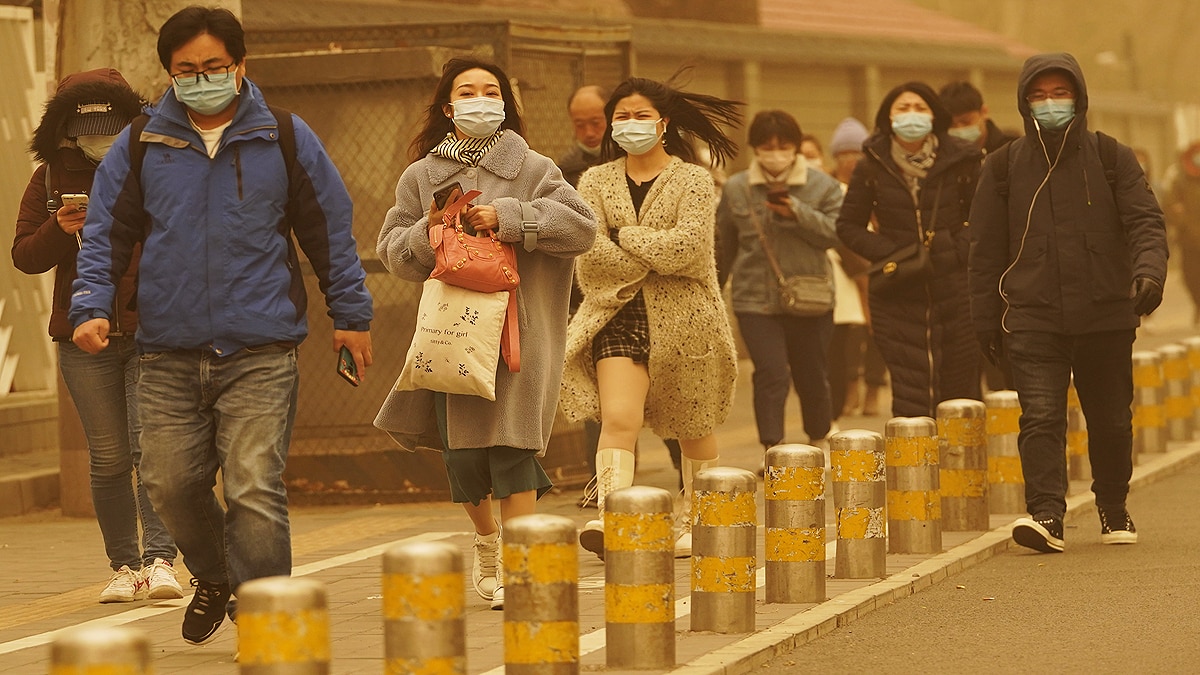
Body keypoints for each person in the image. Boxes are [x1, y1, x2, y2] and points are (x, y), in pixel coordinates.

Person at [70, 7, 374, 644]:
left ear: (241, 67)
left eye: (213, 67)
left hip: (260, 345)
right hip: (165, 349)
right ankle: (214, 575)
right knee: (168, 483)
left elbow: (328, 231)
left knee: (254, 485)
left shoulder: (284, 137)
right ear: (169, 75)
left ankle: (269, 628)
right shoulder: (141, 142)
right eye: (186, 70)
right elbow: (104, 234)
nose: (200, 78)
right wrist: (91, 305)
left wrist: (351, 315)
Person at [375, 58, 596, 609]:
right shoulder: (420, 176)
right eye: (467, 92)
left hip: (520, 336)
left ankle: (521, 572)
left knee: (513, 450)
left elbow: (582, 228)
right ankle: (487, 540)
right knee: (464, 459)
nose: (480, 100)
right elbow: (392, 251)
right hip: (453, 336)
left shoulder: (536, 167)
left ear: (505, 104)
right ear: (448, 108)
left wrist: (512, 216)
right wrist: (432, 234)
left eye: (490, 91)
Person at [968, 53, 1168, 553]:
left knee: (1111, 420)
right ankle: (1047, 515)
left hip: (1105, 314)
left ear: (1079, 99)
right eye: (1039, 95)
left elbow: (1146, 221)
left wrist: (1149, 273)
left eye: (1061, 94)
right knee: (1039, 416)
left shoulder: (1111, 157)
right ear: (1023, 102)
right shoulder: (1002, 168)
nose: (1050, 103)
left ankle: (1113, 507)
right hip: (1033, 317)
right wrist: (985, 320)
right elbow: (985, 251)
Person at [12, 68, 182, 605]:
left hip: (151, 327)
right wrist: (59, 230)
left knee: (150, 446)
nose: (98, 138)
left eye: (110, 126)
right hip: (80, 336)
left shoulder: (156, 165)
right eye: (86, 129)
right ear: (65, 130)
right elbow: (24, 256)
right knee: (108, 457)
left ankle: (161, 560)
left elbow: (187, 235)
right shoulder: (48, 178)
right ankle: (124, 566)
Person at [560, 76, 741, 559]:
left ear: (664, 123)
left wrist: (624, 236)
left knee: (694, 423)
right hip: (617, 314)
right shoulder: (594, 181)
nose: (630, 125)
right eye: (622, 116)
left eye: (641, 116)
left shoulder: (693, 180)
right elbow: (590, 255)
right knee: (619, 417)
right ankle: (612, 519)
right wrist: (641, 247)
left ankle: (699, 523)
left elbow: (689, 248)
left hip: (688, 320)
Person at [557, 84, 683, 499]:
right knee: (611, 410)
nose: (591, 131)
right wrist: (648, 253)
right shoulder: (574, 171)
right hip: (605, 306)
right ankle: (609, 501)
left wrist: (623, 236)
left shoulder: (685, 176)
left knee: (676, 412)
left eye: (596, 121)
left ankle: (691, 489)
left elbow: (687, 249)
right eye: (582, 124)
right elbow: (587, 246)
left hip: (674, 312)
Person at [836, 82, 982, 418]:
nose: (912, 115)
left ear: (934, 115)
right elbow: (848, 226)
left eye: (920, 107)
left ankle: (960, 467)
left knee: (959, 388)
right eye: (903, 108)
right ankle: (915, 465)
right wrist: (893, 253)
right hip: (898, 290)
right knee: (910, 389)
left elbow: (982, 219)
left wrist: (954, 250)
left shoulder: (963, 159)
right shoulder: (872, 165)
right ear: (888, 117)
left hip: (956, 289)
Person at [716, 111, 843, 465]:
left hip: (811, 296)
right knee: (770, 372)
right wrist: (714, 292)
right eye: (766, 147)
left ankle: (819, 436)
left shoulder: (823, 186)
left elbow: (837, 234)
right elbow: (724, 244)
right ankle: (772, 448)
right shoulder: (737, 188)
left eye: (784, 146)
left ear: (796, 148)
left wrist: (797, 212)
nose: (775, 154)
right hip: (754, 298)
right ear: (754, 148)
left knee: (812, 371)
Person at [826, 117, 887, 418]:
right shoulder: (829, 190)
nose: (851, 161)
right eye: (844, 155)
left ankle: (873, 390)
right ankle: (850, 390)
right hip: (846, 274)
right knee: (850, 338)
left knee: (879, 334)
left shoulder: (876, 187)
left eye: (857, 154)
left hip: (877, 271)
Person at [1162, 141, 1200, 324]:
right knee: (1190, 276)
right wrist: (1184, 222)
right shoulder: (1176, 176)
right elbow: (1169, 205)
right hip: (1188, 238)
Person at [938, 81, 1016, 155]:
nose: (959, 129)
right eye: (952, 125)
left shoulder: (1010, 151)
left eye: (966, 122)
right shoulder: (939, 154)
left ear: (984, 112)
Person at [558, 85, 609, 188]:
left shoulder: (629, 160)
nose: (589, 133)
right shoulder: (567, 168)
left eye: (596, 123)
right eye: (580, 125)